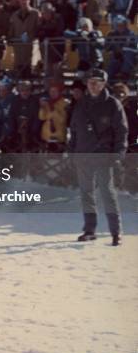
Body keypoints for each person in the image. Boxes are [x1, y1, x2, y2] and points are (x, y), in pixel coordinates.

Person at [69, 69, 128, 246]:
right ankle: (89, 230)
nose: (93, 85)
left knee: (107, 193)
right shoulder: (81, 104)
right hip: (83, 155)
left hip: (104, 155)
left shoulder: (112, 104)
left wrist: (118, 153)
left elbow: (121, 131)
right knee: (86, 193)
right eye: (90, 82)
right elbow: (74, 129)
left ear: (103, 84)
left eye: (97, 82)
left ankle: (116, 232)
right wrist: (72, 151)